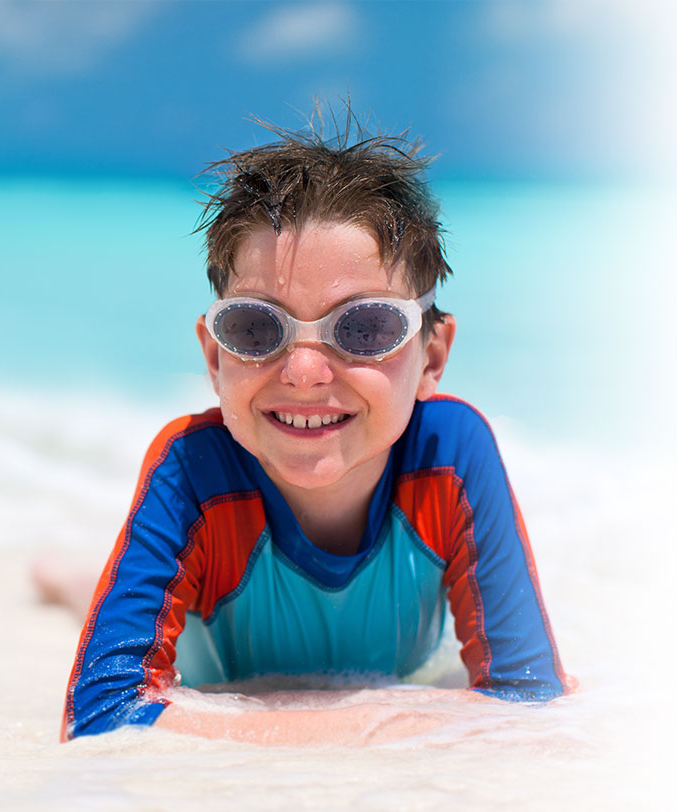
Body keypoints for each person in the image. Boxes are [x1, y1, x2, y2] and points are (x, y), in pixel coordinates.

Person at [59, 118, 572, 744]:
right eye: (255, 328)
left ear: (432, 359)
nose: (303, 373)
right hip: (208, 640)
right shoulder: (193, 470)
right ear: (215, 358)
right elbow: (99, 716)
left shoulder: (451, 456)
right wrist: (379, 723)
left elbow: (531, 698)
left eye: (365, 328)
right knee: (77, 592)